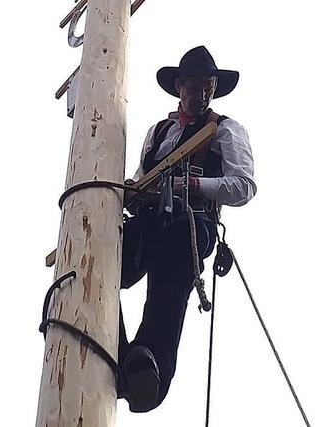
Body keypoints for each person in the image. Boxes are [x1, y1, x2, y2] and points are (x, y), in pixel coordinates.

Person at [117, 45, 257, 412]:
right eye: (196, 86)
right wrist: (130, 192)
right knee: (101, 257)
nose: (203, 94)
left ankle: (150, 366)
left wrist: (194, 186)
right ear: (180, 86)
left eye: (209, 86)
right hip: (149, 220)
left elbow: (242, 186)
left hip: (188, 223)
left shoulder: (224, 129)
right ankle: (116, 355)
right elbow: (139, 178)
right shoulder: (158, 131)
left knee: (169, 283)